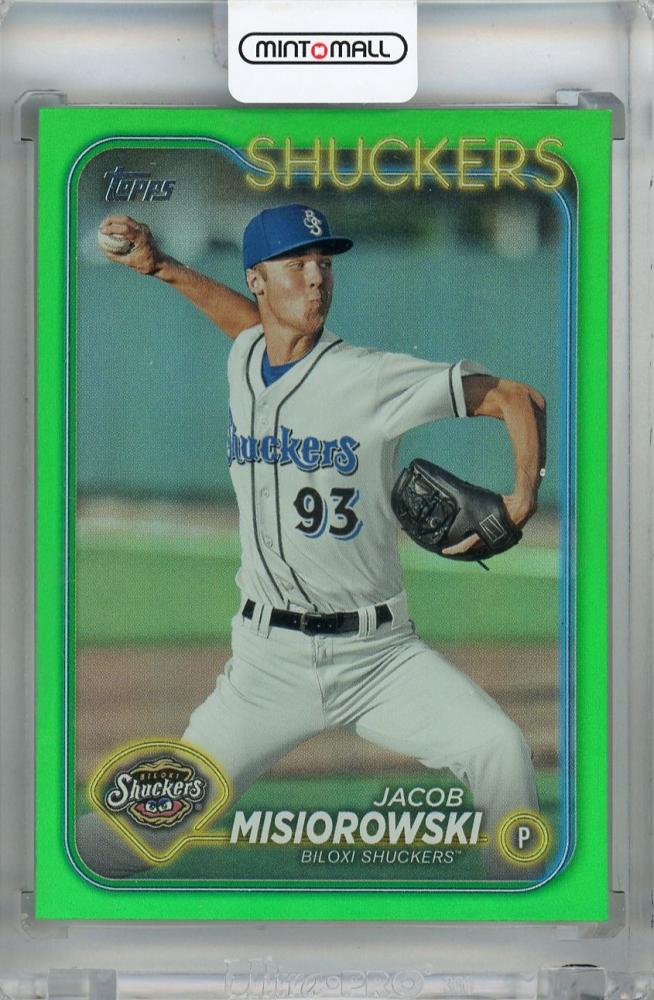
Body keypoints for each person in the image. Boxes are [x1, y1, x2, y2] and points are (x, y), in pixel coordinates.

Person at [81, 203, 547, 881]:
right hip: (266, 666)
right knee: (145, 829)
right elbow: (249, 326)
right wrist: (162, 268)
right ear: (257, 279)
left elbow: (515, 397)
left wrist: (522, 497)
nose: (317, 277)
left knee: (498, 747)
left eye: (324, 263)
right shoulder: (247, 357)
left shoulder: (367, 376)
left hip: (380, 658)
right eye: (296, 263)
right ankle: (43, 882)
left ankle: (521, 914)